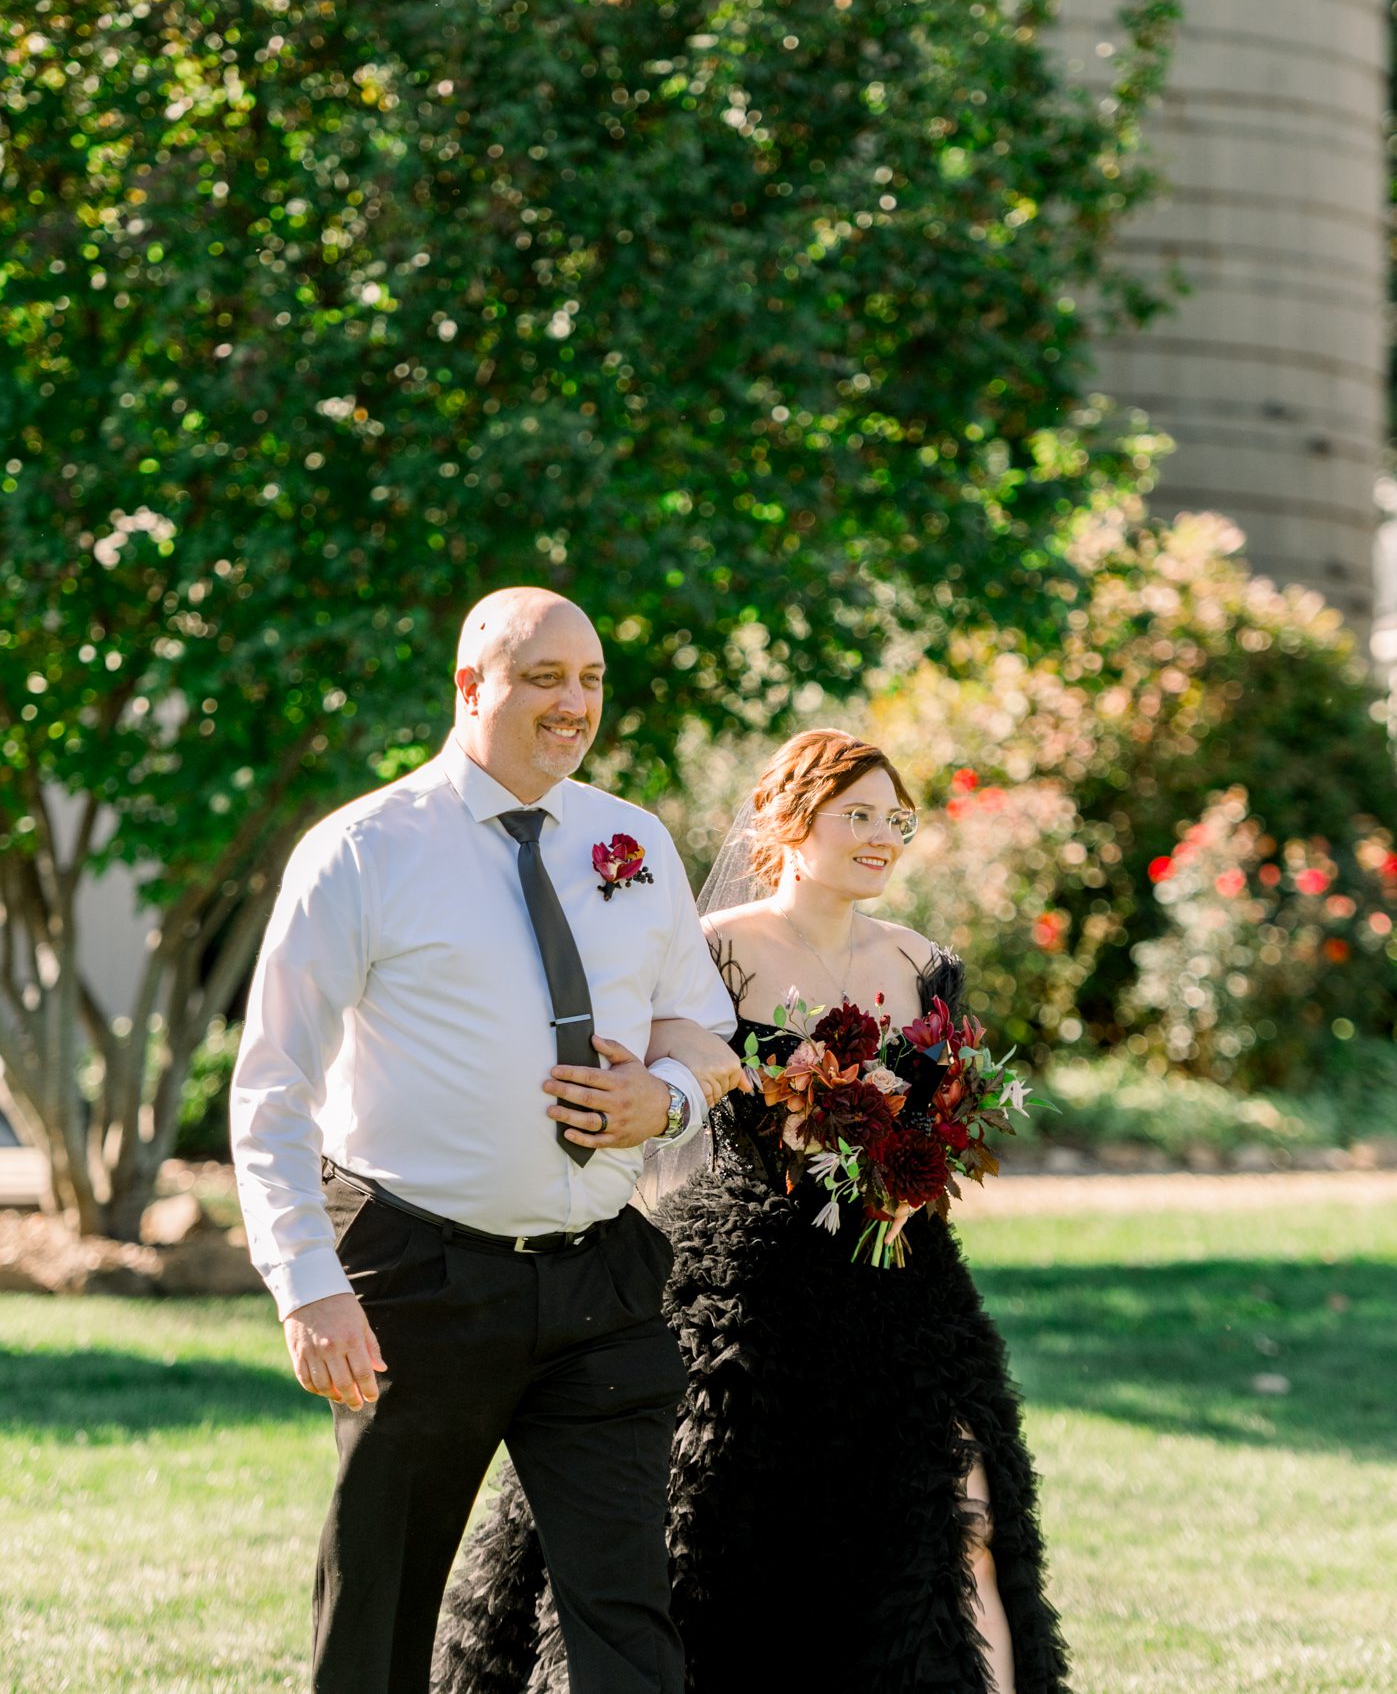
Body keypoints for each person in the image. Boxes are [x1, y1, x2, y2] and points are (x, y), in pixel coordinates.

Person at [437, 728, 1072, 1694]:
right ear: (788, 822)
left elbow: (951, 1106)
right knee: (706, 1530)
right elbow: (660, 1073)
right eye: (855, 814)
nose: (881, 837)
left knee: (959, 1518)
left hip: (906, 1286)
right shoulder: (712, 953)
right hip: (748, 1292)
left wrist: (920, 1160)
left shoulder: (924, 962)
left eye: (893, 818)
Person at [230, 586, 746, 1694]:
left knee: (625, 1613)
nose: (573, 705)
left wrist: (663, 1099)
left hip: (602, 1284)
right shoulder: (362, 851)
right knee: (382, 1605)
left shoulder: (631, 840)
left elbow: (704, 1028)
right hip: (418, 1278)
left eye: (591, 680)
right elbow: (271, 1085)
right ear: (471, 688)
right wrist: (306, 1285)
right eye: (542, 678)